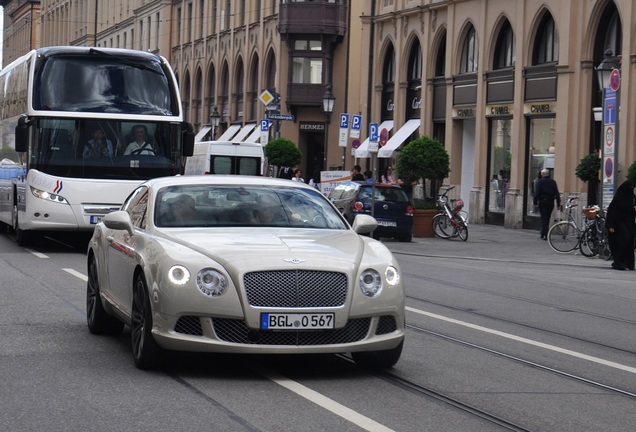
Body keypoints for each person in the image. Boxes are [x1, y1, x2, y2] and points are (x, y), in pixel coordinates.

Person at [605, 179, 636, 270]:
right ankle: (619, 263)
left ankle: (628, 263)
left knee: (630, 243)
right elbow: (611, 212)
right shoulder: (619, 198)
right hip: (618, 223)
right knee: (623, 241)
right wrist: (610, 225)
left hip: (630, 223)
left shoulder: (632, 197)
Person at [533, 168, 561, 240]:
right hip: (551, 202)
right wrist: (558, 203)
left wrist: (535, 201)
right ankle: (543, 232)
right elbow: (557, 193)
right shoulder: (553, 182)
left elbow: (537, 193)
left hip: (543, 201)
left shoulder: (540, 182)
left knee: (544, 218)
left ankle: (546, 234)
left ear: (542, 174)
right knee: (547, 217)